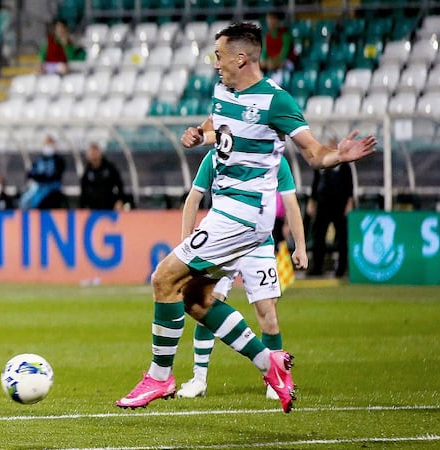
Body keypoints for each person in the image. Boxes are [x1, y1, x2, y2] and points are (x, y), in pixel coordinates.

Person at [116, 22, 376, 414]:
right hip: (227, 211)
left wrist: (339, 155)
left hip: (243, 213)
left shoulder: (276, 101)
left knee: (163, 278)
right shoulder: (225, 91)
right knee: (195, 297)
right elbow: (216, 126)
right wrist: (197, 134)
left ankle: (160, 376)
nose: (214, 63)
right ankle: (268, 362)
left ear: (241, 57)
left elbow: (312, 153)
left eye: (219, 56)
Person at [175, 152, 308, 400]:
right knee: (207, 302)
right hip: (222, 239)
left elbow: (291, 203)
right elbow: (193, 198)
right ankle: (199, 379)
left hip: (258, 242)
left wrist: (300, 245)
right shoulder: (217, 156)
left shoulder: (275, 159)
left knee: (266, 310)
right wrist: (187, 245)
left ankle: (274, 378)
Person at [307, 144, 354, 277]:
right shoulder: (320, 163)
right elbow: (315, 184)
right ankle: (317, 267)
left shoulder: (344, 165)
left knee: (342, 237)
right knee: (319, 236)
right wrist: (312, 201)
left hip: (339, 204)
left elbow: (350, 186)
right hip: (323, 205)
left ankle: (341, 269)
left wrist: (349, 203)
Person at [19, 135, 67, 209]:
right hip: (38, 189)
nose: (48, 147)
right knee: (24, 201)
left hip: (52, 191)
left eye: (50, 144)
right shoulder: (39, 160)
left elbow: (55, 176)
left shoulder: (58, 160)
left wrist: (40, 177)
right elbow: (30, 174)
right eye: (46, 144)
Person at [79, 142, 125, 210]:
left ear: (100, 153)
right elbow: (83, 192)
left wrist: (119, 200)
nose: (94, 154)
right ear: (88, 155)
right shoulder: (87, 172)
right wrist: (84, 206)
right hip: (93, 208)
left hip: (110, 206)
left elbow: (119, 185)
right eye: (92, 153)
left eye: (95, 152)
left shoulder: (109, 168)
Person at [260, 11, 295, 86]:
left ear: (278, 21)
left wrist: (273, 62)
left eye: (273, 19)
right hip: (271, 63)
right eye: (269, 19)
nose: (270, 22)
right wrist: (265, 62)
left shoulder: (285, 35)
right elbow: (263, 55)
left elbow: (283, 55)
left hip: (286, 63)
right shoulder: (267, 36)